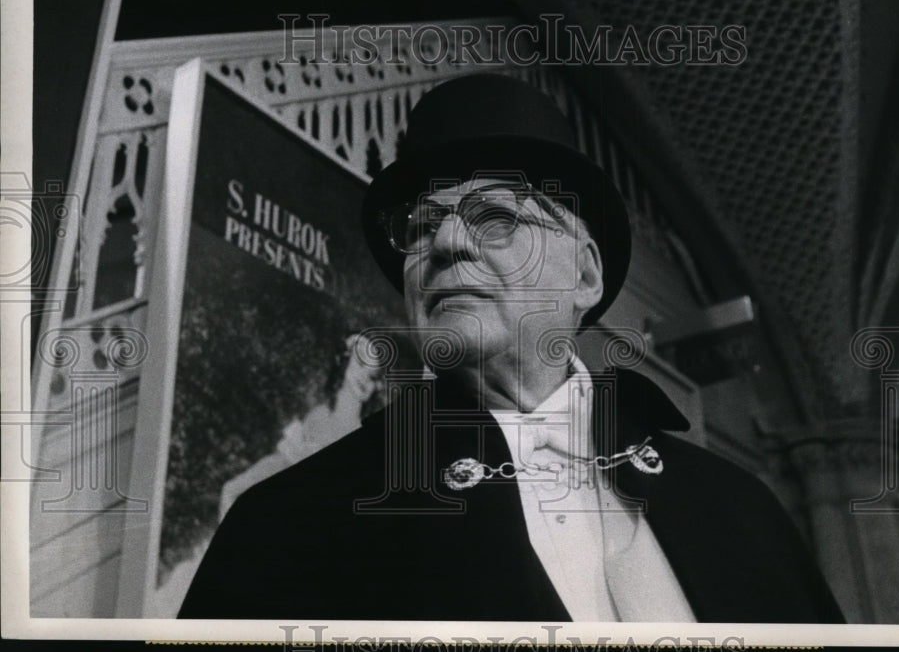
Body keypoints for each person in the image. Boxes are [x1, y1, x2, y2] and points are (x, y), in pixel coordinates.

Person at [179, 73, 844, 622]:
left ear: (585, 274)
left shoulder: (737, 506)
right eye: (423, 227)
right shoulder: (294, 519)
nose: (445, 244)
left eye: (495, 219)